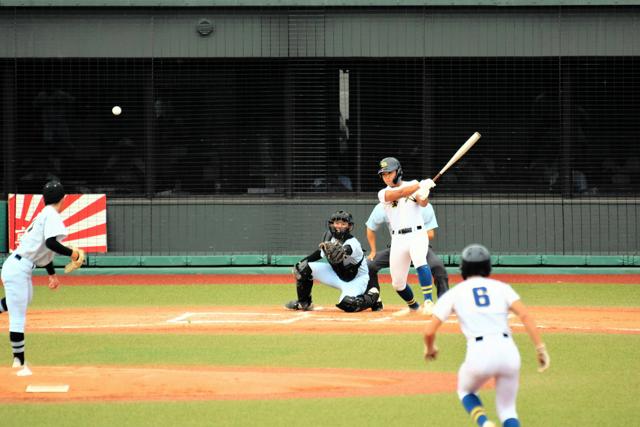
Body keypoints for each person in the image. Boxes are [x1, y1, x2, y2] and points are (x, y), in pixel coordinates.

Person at [423, 244, 551, 427]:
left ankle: (484, 423)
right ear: (488, 267)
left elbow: (429, 331)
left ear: (463, 269)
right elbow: (525, 315)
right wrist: (540, 349)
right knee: (508, 411)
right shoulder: (502, 287)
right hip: (508, 352)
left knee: (465, 391)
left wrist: (430, 349)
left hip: (480, 353)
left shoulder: (455, 293)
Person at [0, 180, 83, 376]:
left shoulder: (44, 215)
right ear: (63, 199)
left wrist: (52, 275)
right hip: (18, 268)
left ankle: (18, 360)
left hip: (19, 266)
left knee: (22, 301)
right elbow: (51, 243)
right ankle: (18, 361)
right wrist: (72, 253)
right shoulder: (52, 215)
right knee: (18, 316)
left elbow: (44, 250)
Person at [284, 210, 380, 313]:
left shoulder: (353, 243)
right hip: (336, 274)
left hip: (356, 280)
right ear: (332, 224)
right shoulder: (328, 237)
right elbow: (319, 254)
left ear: (349, 226)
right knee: (302, 268)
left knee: (348, 304)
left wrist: (342, 250)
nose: (339, 226)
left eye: (343, 224)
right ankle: (304, 303)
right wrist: (301, 262)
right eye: (337, 223)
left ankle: (372, 297)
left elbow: (348, 249)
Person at [376, 157, 436, 316]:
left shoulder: (413, 185)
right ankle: (414, 306)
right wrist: (420, 184)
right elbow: (401, 193)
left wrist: (424, 191)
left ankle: (429, 301)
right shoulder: (383, 193)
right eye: (384, 174)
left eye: (389, 173)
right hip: (397, 239)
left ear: (398, 171)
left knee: (419, 260)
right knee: (397, 283)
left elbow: (422, 202)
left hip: (417, 234)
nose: (387, 177)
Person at [365, 202, 449, 311]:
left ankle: (445, 304)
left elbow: (430, 234)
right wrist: (373, 251)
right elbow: (370, 227)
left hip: (420, 244)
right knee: (369, 265)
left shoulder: (423, 205)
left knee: (438, 267)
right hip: (397, 247)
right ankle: (376, 300)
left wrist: (412, 235)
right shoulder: (385, 204)